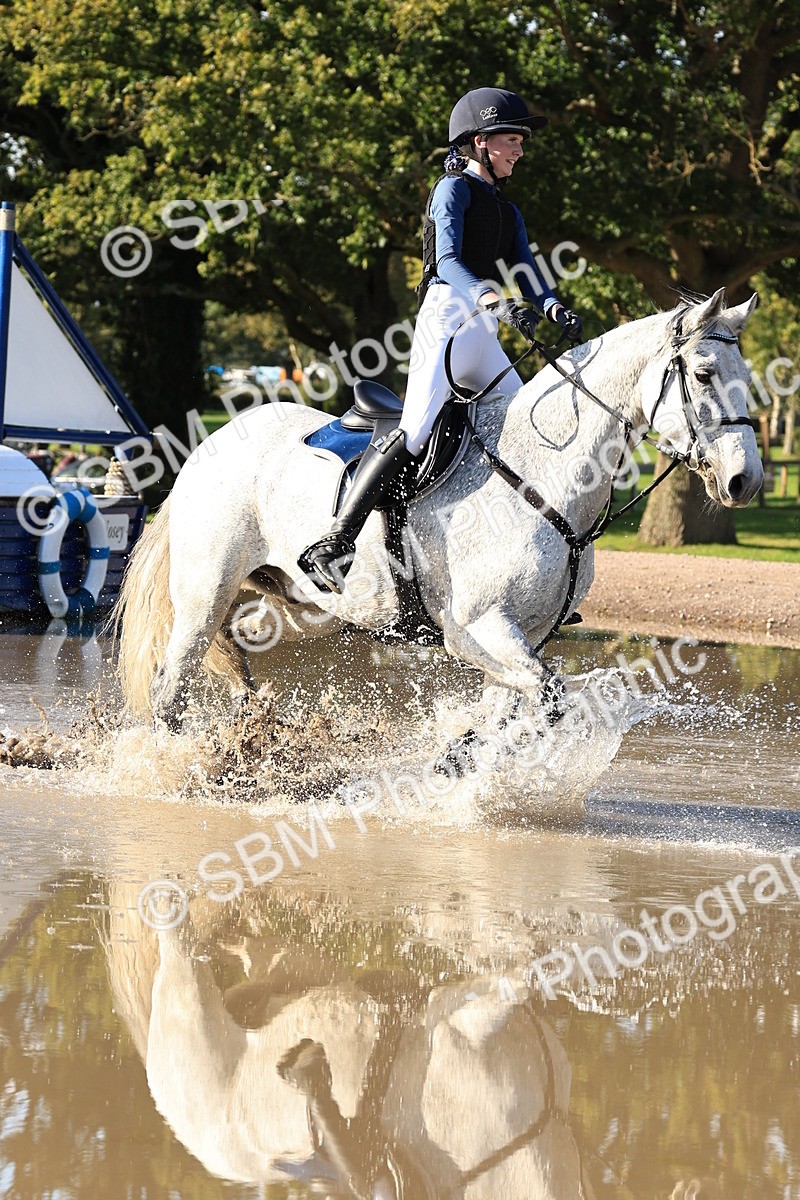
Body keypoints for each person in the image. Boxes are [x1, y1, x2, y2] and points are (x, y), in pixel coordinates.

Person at [299, 86, 583, 594]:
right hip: (449, 318)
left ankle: (526, 570)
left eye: (521, 139)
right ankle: (337, 541)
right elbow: (448, 262)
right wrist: (493, 299)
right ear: (479, 142)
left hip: (483, 330)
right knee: (414, 429)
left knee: (523, 428)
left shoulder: (507, 209)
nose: (520, 147)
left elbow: (529, 270)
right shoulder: (451, 191)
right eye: (511, 138)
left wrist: (553, 306)